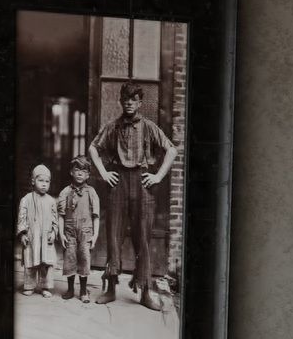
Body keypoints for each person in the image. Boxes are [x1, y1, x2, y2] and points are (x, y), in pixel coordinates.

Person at [89, 82, 178, 310]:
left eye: (133, 100)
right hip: (118, 182)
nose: (129, 103)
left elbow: (171, 150)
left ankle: (145, 291)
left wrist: (157, 176)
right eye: (126, 100)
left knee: (143, 239)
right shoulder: (113, 126)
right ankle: (110, 288)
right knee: (113, 235)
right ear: (121, 101)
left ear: (140, 103)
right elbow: (93, 148)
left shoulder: (149, 127)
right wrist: (104, 172)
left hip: (142, 184)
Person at [56, 155, 100, 305]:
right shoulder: (65, 192)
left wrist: (95, 235)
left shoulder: (91, 192)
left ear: (88, 175)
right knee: (69, 259)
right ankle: (70, 289)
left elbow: (96, 216)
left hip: (86, 232)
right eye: (77, 170)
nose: (80, 173)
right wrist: (61, 233)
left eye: (84, 171)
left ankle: (83, 290)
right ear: (71, 172)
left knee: (84, 259)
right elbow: (61, 215)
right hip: (69, 231)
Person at [16, 164, 59, 299]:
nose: (44, 184)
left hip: (46, 237)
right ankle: (29, 286)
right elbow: (22, 218)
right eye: (41, 180)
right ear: (33, 181)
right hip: (31, 236)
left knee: (46, 263)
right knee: (30, 260)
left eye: (47, 181)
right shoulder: (26, 199)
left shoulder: (51, 201)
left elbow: (55, 219)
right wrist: (23, 234)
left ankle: (45, 287)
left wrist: (54, 232)